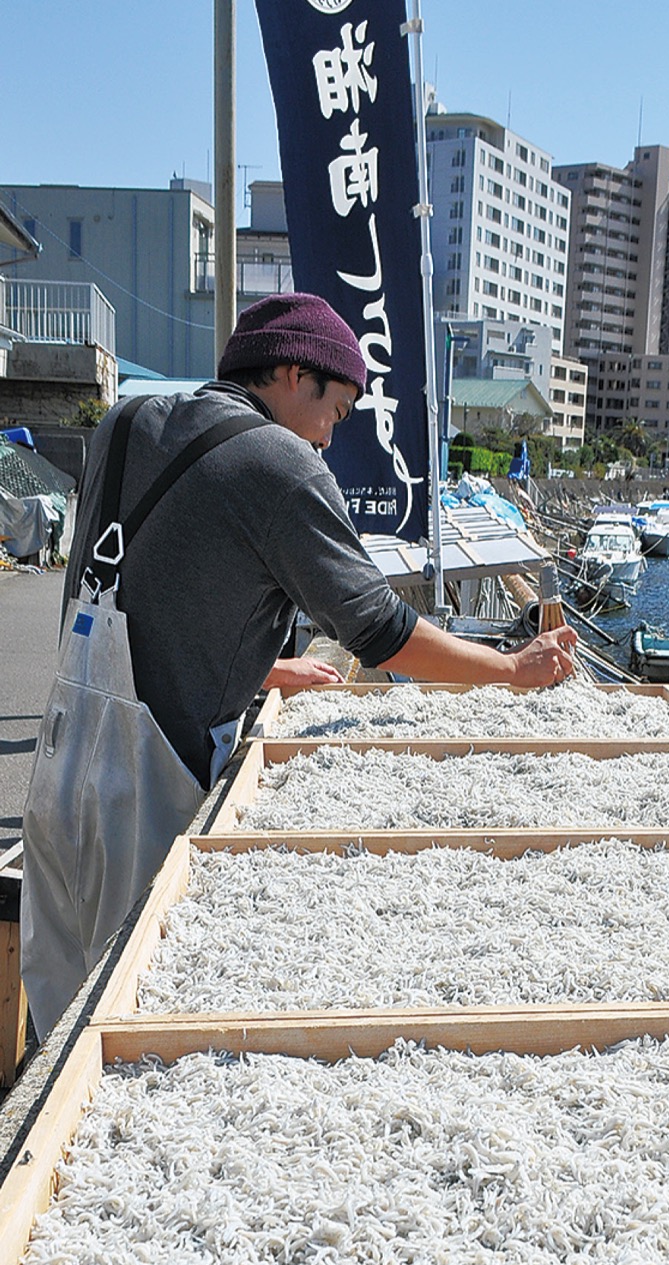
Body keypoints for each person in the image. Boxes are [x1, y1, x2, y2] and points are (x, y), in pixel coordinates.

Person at [20, 292, 576, 1039]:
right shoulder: (279, 461)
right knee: (116, 1028)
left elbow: (132, 594)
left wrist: (265, 670)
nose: (332, 436)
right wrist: (511, 668)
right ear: (290, 372)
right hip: (147, 788)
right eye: (339, 410)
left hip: (59, 769)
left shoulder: (125, 424)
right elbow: (380, 629)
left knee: (56, 1010)